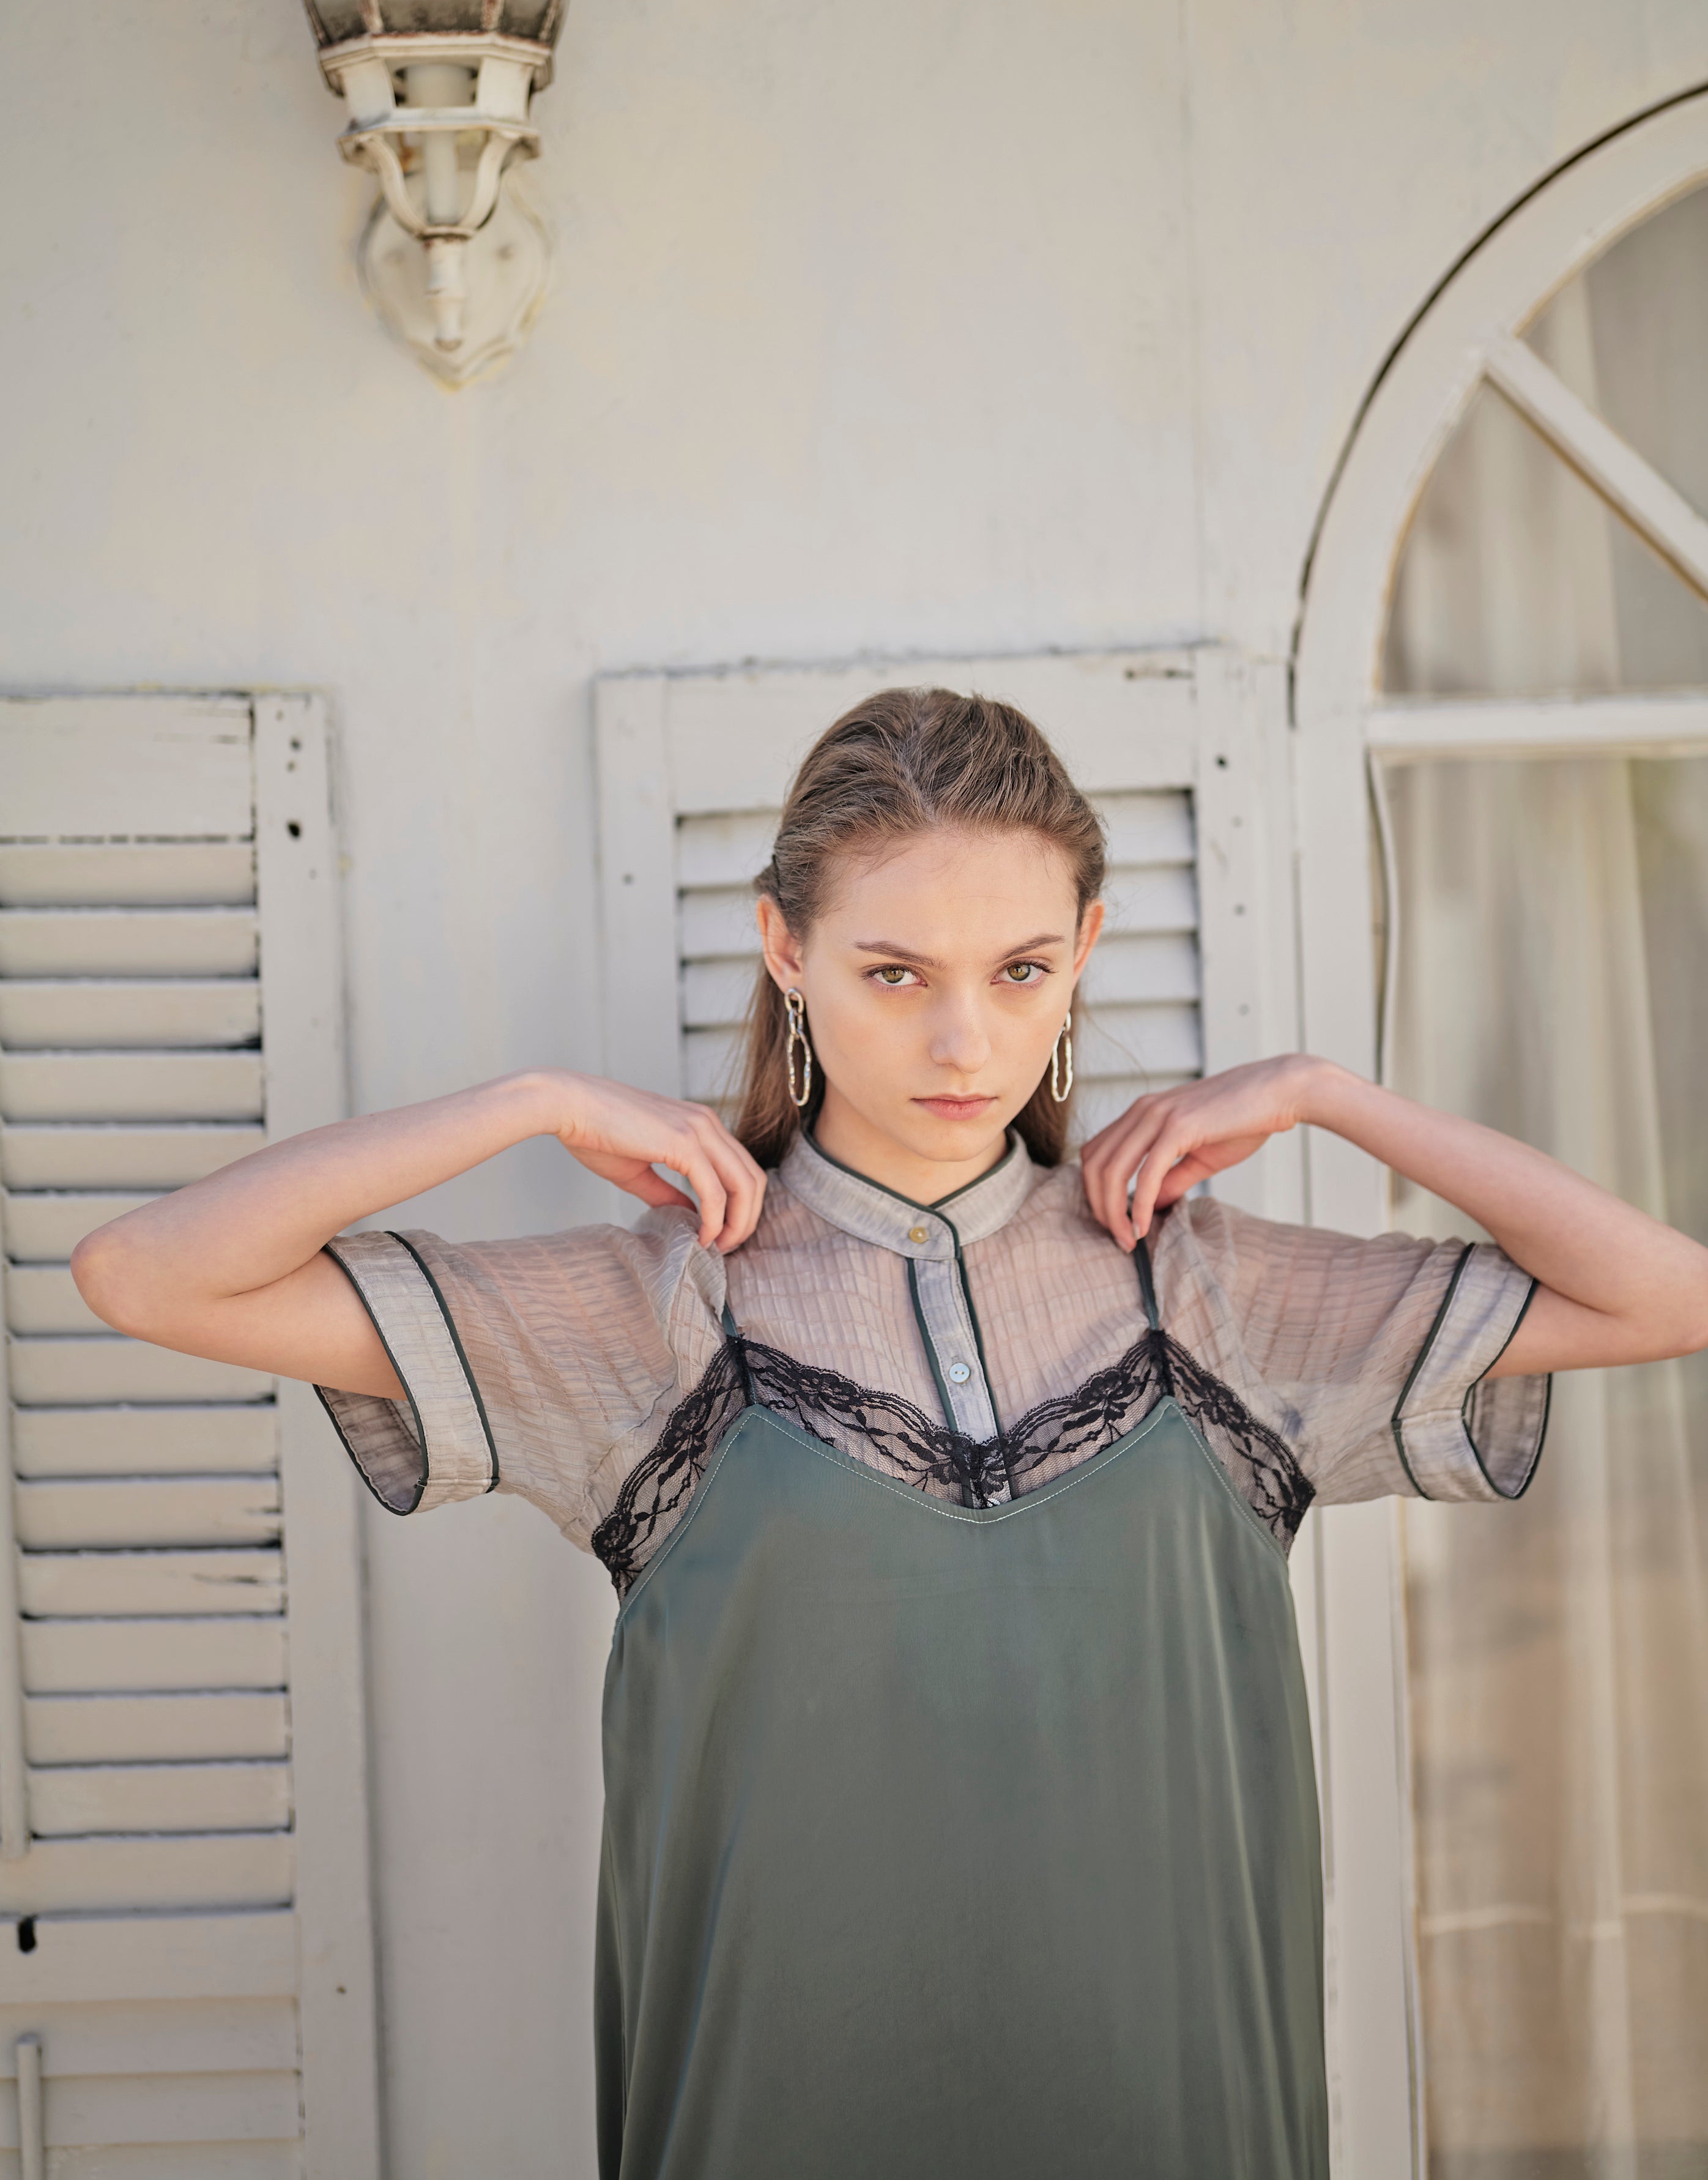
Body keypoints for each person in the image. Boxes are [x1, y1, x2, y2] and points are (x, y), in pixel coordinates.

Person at [70, 688, 1708, 2180]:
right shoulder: (654, 1315)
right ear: (785, 951)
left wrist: (1329, 1094)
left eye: (1021, 971)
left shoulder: (1215, 1295)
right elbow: (143, 1274)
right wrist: (531, 1105)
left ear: (1087, 948)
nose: (962, 1043)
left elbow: (1666, 1295)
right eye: (895, 973)